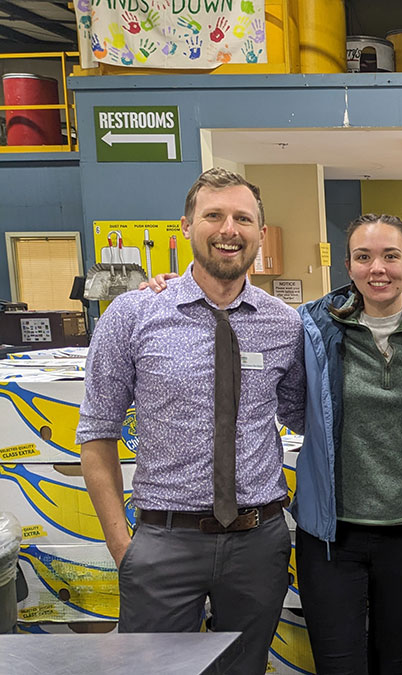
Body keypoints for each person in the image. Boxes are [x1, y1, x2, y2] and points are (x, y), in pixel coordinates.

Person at [78, 168, 304, 675]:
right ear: (185, 226)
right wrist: (123, 547)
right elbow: (96, 434)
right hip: (164, 544)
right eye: (214, 215)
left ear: (260, 235)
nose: (230, 229)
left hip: (258, 541)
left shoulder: (285, 324)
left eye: (243, 218)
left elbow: (305, 414)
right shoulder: (132, 315)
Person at [291, 214, 402, 674]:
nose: (377, 268)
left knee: (395, 663)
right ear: (348, 266)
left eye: (390, 256)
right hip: (331, 537)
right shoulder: (311, 328)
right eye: (364, 257)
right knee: (339, 666)